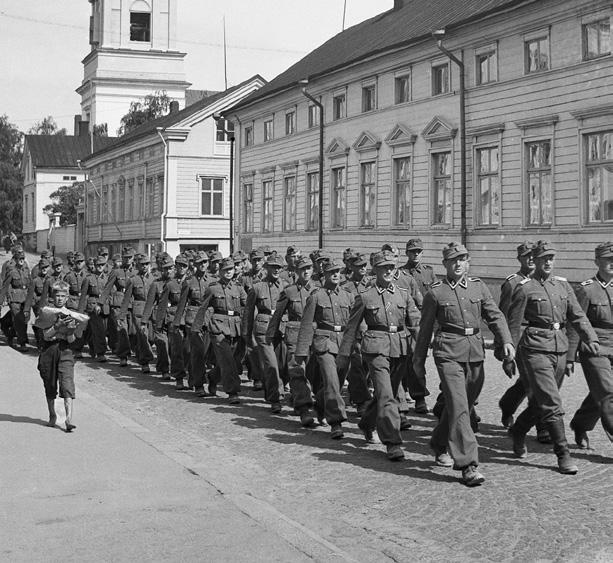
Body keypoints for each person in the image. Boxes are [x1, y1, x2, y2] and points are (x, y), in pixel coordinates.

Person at [413, 242, 514, 487]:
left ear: (467, 262)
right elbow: (425, 329)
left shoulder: (479, 288)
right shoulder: (436, 293)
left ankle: (438, 443)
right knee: (459, 407)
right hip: (447, 352)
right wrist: (417, 360)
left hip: (475, 351)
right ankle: (468, 465)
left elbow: (495, 315)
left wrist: (506, 340)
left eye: (463, 259)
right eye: (453, 260)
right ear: (445, 264)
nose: (458, 264)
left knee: (462, 404)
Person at [507, 241, 599, 475]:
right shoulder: (525, 288)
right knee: (552, 402)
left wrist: (590, 336)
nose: (548, 262)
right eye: (543, 258)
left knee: (541, 402)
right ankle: (563, 454)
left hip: (559, 347)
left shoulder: (563, 286)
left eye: (551, 258)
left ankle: (519, 430)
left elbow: (577, 315)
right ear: (534, 261)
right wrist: (507, 354)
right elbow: (514, 325)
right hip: (534, 348)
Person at [338, 251, 421, 461]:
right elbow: (351, 329)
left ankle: (367, 423)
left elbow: (415, 323)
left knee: (387, 393)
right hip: (375, 349)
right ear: (375, 270)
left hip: (400, 349)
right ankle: (392, 442)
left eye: (392, 267)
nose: (388, 271)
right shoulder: (366, 296)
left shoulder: (403, 294)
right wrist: (344, 357)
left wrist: (421, 349)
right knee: (386, 395)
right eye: (384, 267)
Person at [496, 241, 551, 444]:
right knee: (537, 383)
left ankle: (508, 404)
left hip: (543, 339)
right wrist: (504, 350)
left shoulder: (544, 281)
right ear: (519, 259)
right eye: (525, 255)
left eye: (532, 255)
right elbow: (502, 317)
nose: (529, 259)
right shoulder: (512, 283)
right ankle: (543, 427)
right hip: (521, 339)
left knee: (531, 382)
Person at [295, 258, 354, 438]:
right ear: (324, 275)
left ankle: (320, 404)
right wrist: (301, 352)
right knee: (331, 381)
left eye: (338, 272)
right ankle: (336, 422)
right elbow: (306, 325)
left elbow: (354, 324)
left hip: (343, 343)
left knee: (335, 381)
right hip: (324, 342)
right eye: (331, 272)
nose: (335, 274)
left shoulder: (348, 295)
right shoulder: (316, 296)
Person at [567, 242, 613, 449]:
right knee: (608, 392)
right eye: (607, 260)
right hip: (595, 348)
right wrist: (569, 357)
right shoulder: (586, 289)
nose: (612, 264)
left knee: (600, 393)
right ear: (597, 262)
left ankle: (580, 424)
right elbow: (575, 323)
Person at [34, 280, 88, 432]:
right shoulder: (46, 313)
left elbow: (72, 341)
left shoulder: (72, 314)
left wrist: (70, 331)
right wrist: (57, 326)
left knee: (67, 383)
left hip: (65, 352)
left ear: (67, 298)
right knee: (50, 385)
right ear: (53, 296)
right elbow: (45, 336)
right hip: (49, 351)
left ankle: (68, 419)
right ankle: (52, 415)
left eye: (63, 296)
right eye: (57, 295)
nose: (59, 298)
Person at [192, 257, 247, 404]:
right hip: (218, 328)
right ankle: (233, 392)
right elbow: (203, 308)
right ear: (220, 271)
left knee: (233, 361)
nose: (229, 272)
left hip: (236, 327)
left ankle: (213, 377)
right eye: (225, 270)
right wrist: (198, 327)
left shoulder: (238, 288)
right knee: (227, 360)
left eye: (231, 269)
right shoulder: (213, 288)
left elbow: (247, 308)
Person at [242, 254, 286, 413]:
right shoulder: (257, 287)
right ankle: (276, 399)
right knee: (271, 365)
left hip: (281, 329)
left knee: (283, 366)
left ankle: (275, 390)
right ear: (266, 268)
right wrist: (247, 336)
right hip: (263, 329)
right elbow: (248, 313)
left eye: (279, 267)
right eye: (273, 267)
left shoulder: (286, 286)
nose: (276, 270)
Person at [0, 249, 31, 351]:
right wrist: (1, 300)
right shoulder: (11, 271)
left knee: (23, 319)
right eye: (19, 259)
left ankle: (6, 328)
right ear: (16, 260)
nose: (21, 261)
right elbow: (5, 286)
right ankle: (22, 343)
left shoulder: (26, 270)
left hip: (25, 298)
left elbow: (30, 284)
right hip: (14, 299)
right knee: (19, 321)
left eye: (23, 258)